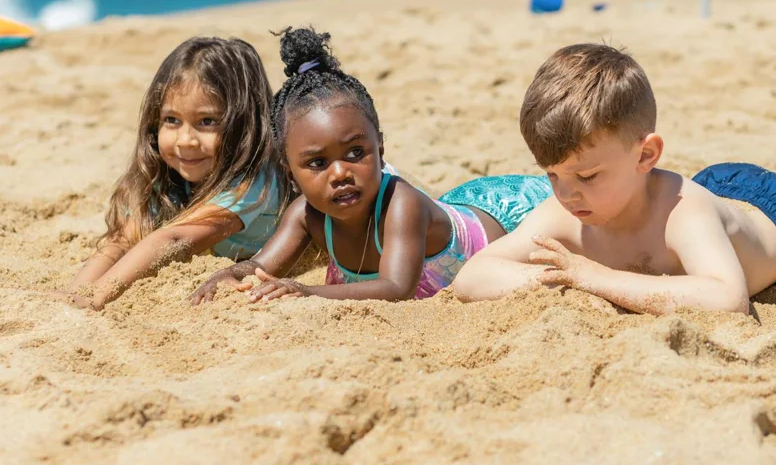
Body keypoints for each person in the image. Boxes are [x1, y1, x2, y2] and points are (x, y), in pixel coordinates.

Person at [452, 43, 776, 314]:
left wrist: (593, 279)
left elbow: (727, 300)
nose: (567, 193)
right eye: (551, 176)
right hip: (718, 194)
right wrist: (561, 283)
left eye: (586, 175)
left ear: (645, 154)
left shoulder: (685, 214)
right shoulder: (563, 210)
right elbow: (473, 277)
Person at [190, 27, 552, 304]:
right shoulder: (306, 215)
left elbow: (396, 287)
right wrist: (230, 274)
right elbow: (260, 267)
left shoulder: (400, 203)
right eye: (317, 162)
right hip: (458, 204)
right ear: (289, 172)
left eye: (355, 153)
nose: (340, 173)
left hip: (509, 214)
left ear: (380, 146)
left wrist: (305, 291)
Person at [59, 36, 284, 309]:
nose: (186, 140)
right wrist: (75, 294)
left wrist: (96, 298)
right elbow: (120, 242)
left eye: (207, 121)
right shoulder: (168, 176)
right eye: (172, 120)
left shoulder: (253, 181)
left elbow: (176, 238)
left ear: (244, 126)